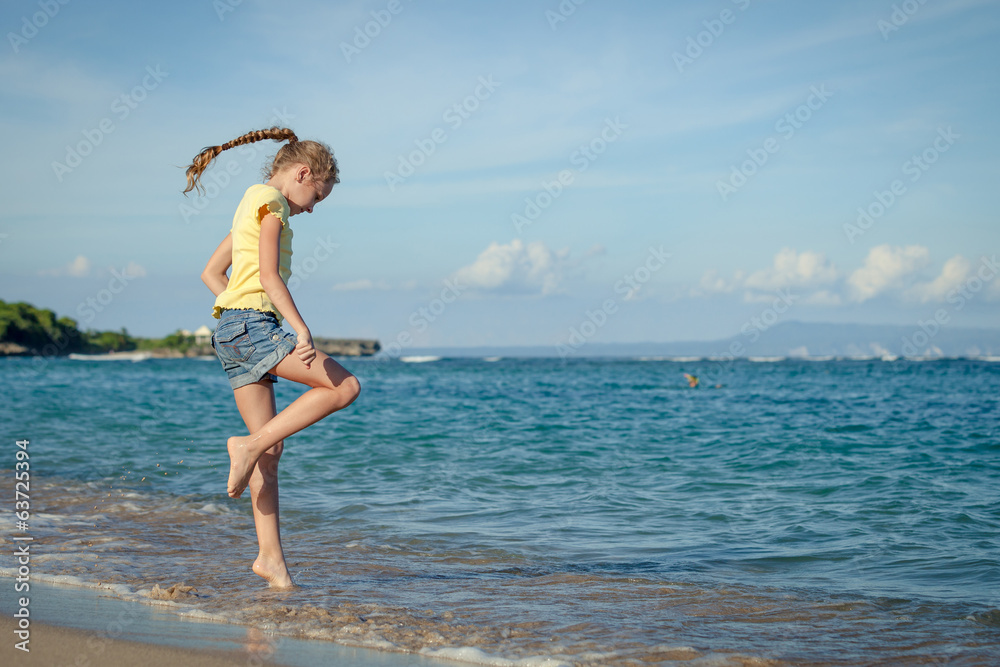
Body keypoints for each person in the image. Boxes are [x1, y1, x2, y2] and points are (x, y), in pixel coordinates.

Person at [184, 127, 361, 588]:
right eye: (316, 197)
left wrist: (234, 315)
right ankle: (244, 447)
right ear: (303, 174)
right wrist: (297, 327)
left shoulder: (249, 203)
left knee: (270, 448)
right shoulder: (275, 204)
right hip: (252, 327)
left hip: (230, 330)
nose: (311, 208)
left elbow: (210, 272)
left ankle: (271, 562)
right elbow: (267, 274)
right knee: (344, 387)